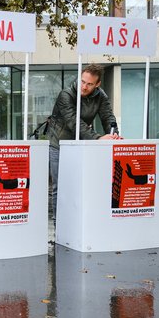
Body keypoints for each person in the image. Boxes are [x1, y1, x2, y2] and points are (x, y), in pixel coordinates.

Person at [46, 64, 121, 218]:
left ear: (97, 84)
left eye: (90, 84)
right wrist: (98, 138)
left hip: (82, 144)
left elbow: (108, 117)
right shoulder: (66, 95)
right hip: (59, 144)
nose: (84, 87)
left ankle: (78, 220)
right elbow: (74, 122)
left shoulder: (101, 96)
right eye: (82, 81)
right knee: (60, 187)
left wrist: (114, 135)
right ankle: (59, 222)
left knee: (81, 184)